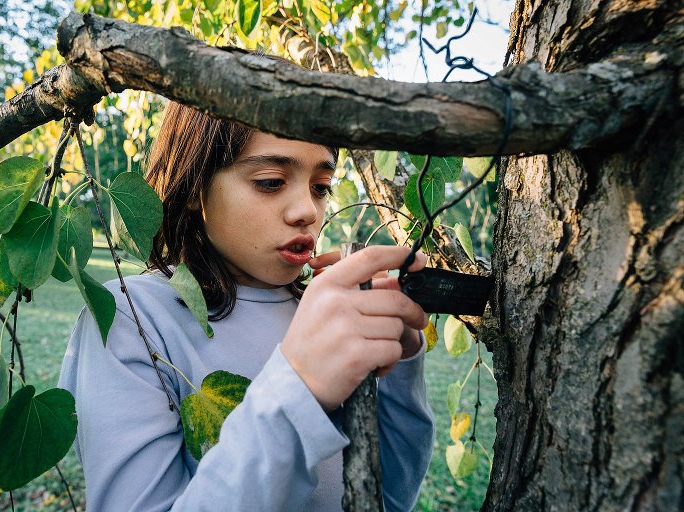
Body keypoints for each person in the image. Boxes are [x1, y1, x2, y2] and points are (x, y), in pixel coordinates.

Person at [58, 99, 435, 511]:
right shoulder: (130, 317)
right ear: (194, 186)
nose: (307, 211)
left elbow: (388, 499)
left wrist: (400, 360)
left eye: (321, 187)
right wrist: (300, 388)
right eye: (271, 181)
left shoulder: (326, 311)